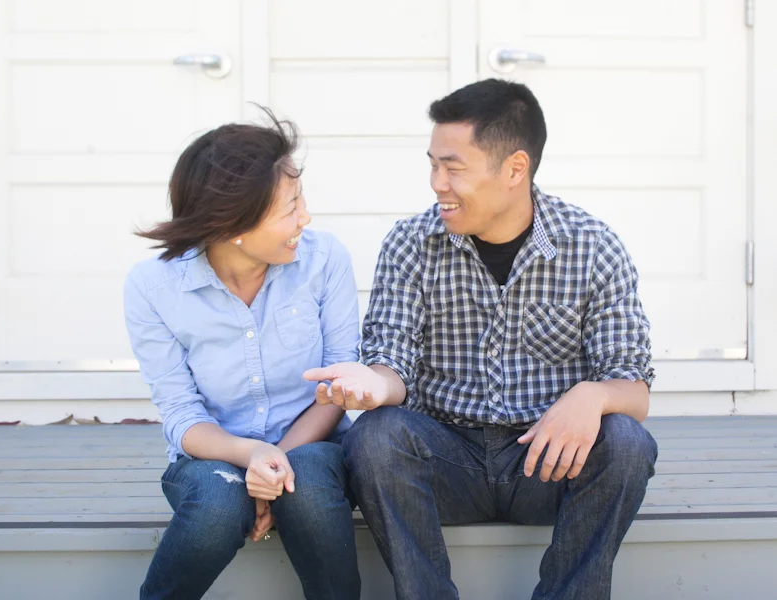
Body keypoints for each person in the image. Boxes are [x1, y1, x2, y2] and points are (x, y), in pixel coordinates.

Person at [303, 78, 658, 600]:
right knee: (375, 437)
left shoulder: (593, 246)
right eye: (432, 164)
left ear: (515, 169)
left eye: (454, 167)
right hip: (445, 462)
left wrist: (594, 394)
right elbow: (391, 364)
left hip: (548, 460)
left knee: (627, 443)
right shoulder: (411, 243)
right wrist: (375, 387)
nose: (436, 182)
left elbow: (635, 388)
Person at [124, 110, 361, 600]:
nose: (306, 218)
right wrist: (250, 456)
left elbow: (336, 386)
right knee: (216, 501)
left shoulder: (324, 259)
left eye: (302, 200)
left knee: (309, 487)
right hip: (216, 455)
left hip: (314, 447)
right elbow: (181, 415)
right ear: (233, 224)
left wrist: (274, 469)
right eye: (289, 208)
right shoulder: (153, 287)